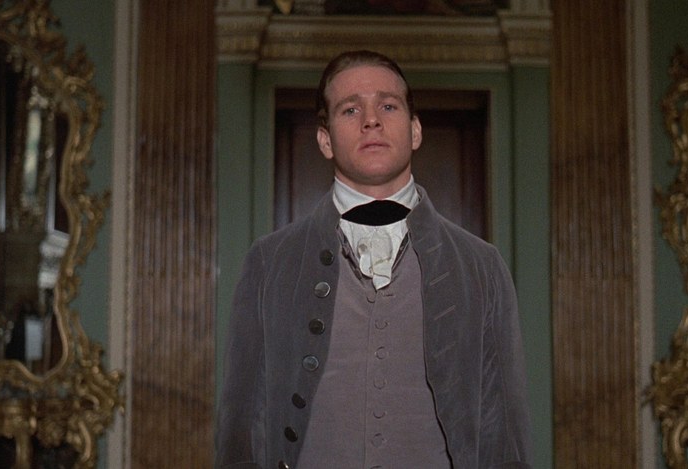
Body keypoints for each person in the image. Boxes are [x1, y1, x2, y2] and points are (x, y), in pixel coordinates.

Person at [216, 50, 532, 469]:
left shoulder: (481, 266)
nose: (371, 120)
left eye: (388, 106)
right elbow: (240, 436)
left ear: (415, 130)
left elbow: (505, 439)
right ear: (325, 140)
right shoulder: (269, 263)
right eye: (350, 109)